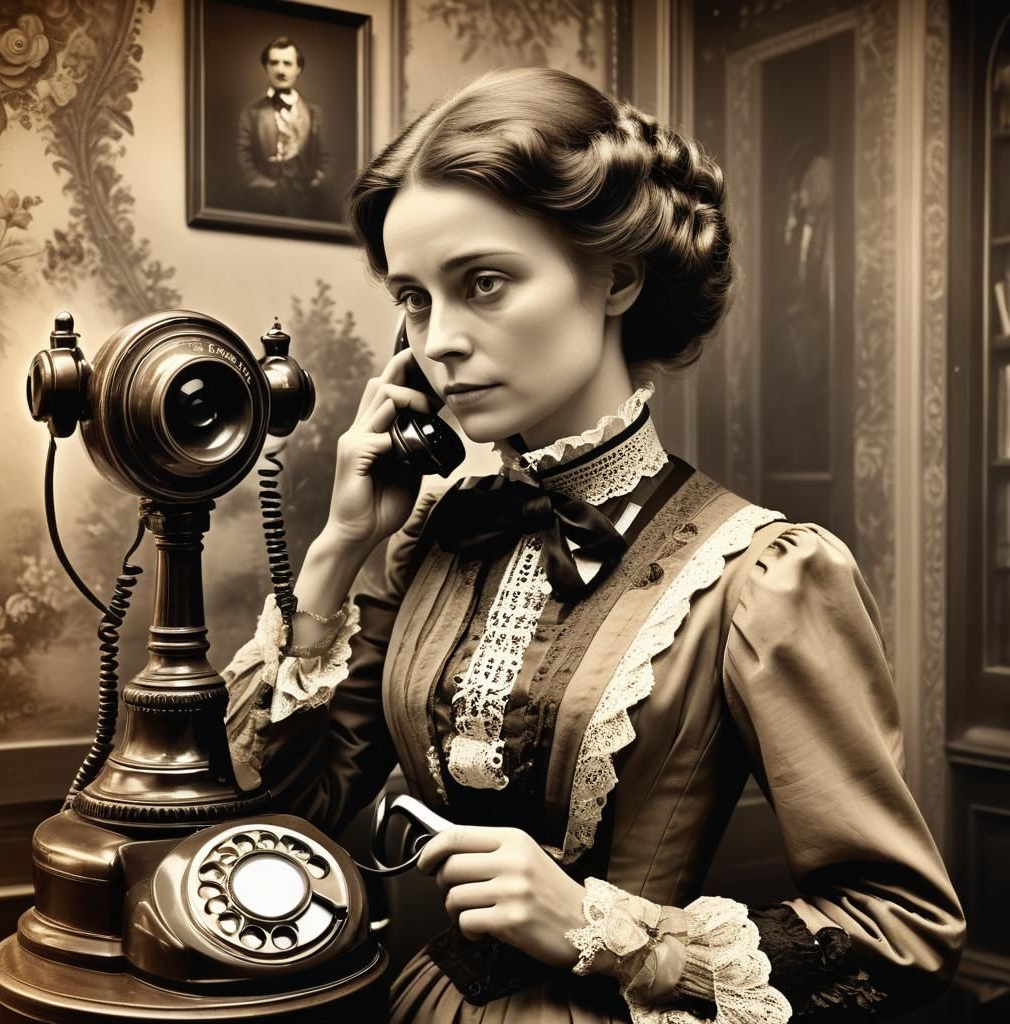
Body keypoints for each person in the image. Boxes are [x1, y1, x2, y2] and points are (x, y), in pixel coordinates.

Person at [222, 66, 964, 1023]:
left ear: (616, 276)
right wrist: (339, 546)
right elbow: (282, 816)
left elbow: (904, 930)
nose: (439, 341)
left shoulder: (765, 576)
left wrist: (600, 928)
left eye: (484, 283)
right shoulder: (431, 537)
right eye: (415, 299)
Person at [236, 35, 329, 219]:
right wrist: (262, 185)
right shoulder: (251, 112)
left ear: (298, 69)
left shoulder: (313, 112)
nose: (280, 70)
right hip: (262, 202)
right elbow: (242, 156)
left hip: (306, 201)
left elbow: (326, 155)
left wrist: (317, 181)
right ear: (266, 68)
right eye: (274, 63)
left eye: (287, 63)